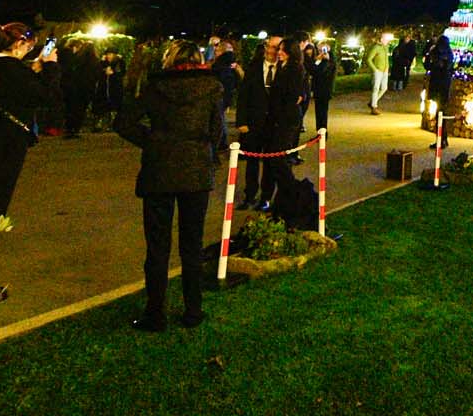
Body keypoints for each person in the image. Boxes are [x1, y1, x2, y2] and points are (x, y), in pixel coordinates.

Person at [114, 38, 225, 332]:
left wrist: (153, 141)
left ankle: (155, 313)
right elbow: (217, 132)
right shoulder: (212, 88)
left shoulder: (155, 87)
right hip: (196, 172)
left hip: (159, 171)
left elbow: (124, 122)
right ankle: (193, 310)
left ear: (169, 60)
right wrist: (206, 153)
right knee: (192, 245)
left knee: (157, 247)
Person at [0, 22, 60, 305]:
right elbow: (47, 97)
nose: (32, 50)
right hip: (4, 149)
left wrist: (34, 70)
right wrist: (50, 67)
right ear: (18, 44)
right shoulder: (13, 72)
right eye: (29, 45)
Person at [236, 35, 301, 211]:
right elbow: (243, 95)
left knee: (271, 164)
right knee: (251, 162)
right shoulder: (254, 67)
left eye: (277, 48)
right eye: (270, 47)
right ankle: (249, 195)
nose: (273, 51)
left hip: (274, 125)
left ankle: (265, 198)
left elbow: (297, 92)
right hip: (254, 123)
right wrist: (241, 121)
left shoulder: (286, 69)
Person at [424, 33, 453, 149]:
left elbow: (428, 66)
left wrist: (428, 55)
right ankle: (443, 139)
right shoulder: (449, 54)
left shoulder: (436, 53)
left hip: (437, 86)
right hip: (445, 86)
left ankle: (441, 140)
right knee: (442, 113)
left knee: (439, 115)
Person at [306, 41, 336, 133]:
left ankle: (322, 133)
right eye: (319, 50)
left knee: (322, 113)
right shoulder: (322, 59)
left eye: (323, 49)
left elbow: (318, 72)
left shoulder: (329, 60)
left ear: (328, 48)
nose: (320, 52)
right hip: (319, 90)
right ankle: (320, 132)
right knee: (319, 113)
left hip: (324, 90)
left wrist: (321, 60)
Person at [365, 36, 390, 115]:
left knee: (384, 88)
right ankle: (374, 106)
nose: (387, 41)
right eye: (386, 39)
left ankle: (372, 102)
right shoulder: (376, 47)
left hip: (385, 71)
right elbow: (368, 59)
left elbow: (386, 58)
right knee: (376, 88)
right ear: (381, 39)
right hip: (378, 71)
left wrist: (387, 67)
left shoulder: (386, 48)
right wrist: (375, 69)